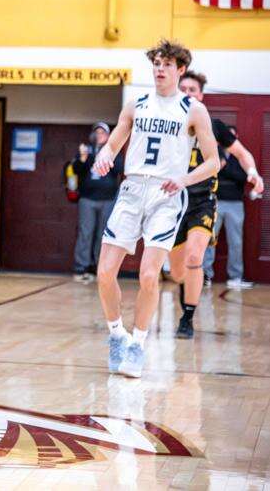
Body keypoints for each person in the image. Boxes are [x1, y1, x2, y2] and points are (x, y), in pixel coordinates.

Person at [94, 40, 219, 379]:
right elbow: (114, 143)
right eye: (156, 64)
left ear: (180, 70)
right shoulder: (136, 105)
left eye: (167, 64)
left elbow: (213, 162)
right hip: (132, 190)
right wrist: (105, 155)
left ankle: (137, 344)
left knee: (149, 275)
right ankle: (117, 335)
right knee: (104, 273)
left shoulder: (193, 110)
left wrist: (184, 179)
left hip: (166, 194)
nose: (160, 69)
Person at [170, 71, 265, 338]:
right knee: (177, 272)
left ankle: (187, 318)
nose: (187, 93)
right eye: (183, 88)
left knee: (194, 257)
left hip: (203, 201)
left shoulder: (214, 126)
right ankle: (187, 290)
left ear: (201, 95)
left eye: (193, 89)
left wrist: (253, 173)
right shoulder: (166, 123)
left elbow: (242, 154)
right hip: (172, 202)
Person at [71, 122, 123, 282]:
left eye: (103, 133)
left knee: (103, 235)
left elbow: (119, 169)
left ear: (108, 136)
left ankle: (99, 268)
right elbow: (76, 170)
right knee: (85, 233)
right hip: (88, 199)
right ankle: (81, 267)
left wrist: (107, 156)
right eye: (97, 132)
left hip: (107, 199)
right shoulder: (86, 151)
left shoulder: (114, 150)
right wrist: (83, 158)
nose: (99, 135)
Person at [203, 129, 249, 288]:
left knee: (236, 242)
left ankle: (235, 277)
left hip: (235, 204)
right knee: (208, 240)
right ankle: (205, 275)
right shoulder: (214, 154)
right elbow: (209, 174)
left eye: (232, 136)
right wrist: (223, 169)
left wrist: (224, 168)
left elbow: (242, 177)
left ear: (236, 137)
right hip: (214, 202)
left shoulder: (241, 157)